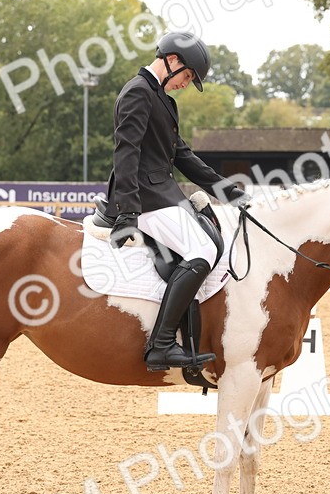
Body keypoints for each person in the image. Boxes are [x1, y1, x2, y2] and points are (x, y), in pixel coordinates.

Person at [105, 30, 249, 371]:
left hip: (163, 195)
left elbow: (182, 156)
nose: (187, 83)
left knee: (212, 242)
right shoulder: (138, 93)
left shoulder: (162, 99)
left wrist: (228, 191)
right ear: (172, 60)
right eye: (187, 75)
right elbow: (126, 153)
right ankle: (162, 343)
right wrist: (127, 211)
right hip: (145, 199)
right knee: (203, 250)